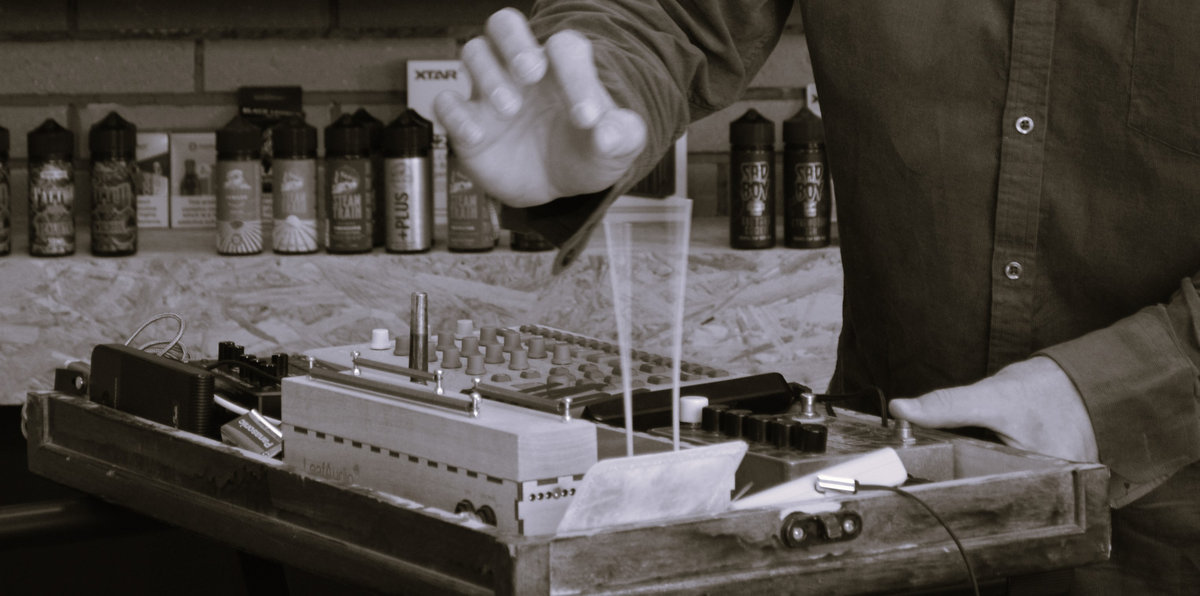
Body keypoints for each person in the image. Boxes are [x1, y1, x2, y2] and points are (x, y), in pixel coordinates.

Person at [434, 3, 1200, 594]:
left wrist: (1120, 389)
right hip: (880, 514)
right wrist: (597, 91)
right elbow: (675, 14)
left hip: (1169, 530)